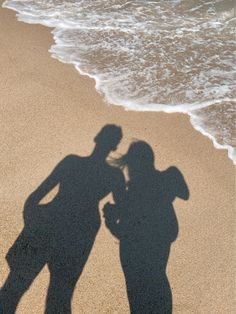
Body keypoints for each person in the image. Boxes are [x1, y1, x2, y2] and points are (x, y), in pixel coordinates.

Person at [0, 124, 125, 314]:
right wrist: (111, 213)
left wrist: (30, 228)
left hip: (49, 221)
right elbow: (125, 210)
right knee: (59, 298)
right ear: (115, 147)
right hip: (81, 231)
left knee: (14, 288)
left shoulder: (72, 162)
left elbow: (33, 199)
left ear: (96, 138)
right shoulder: (114, 176)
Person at [104, 140, 189, 314]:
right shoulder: (163, 181)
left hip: (133, 255)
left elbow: (125, 233)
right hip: (148, 251)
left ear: (132, 166)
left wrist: (110, 221)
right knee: (157, 281)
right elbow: (184, 193)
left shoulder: (133, 193)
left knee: (139, 295)